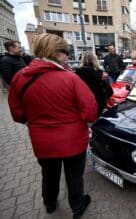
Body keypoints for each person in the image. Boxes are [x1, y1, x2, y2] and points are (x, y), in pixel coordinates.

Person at [8, 33, 98, 218]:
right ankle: (77, 206)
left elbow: (17, 114)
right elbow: (90, 112)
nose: (67, 56)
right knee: (74, 176)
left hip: (42, 141)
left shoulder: (19, 77)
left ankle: (49, 203)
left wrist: (35, 123)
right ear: (56, 53)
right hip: (73, 141)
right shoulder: (71, 79)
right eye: (65, 51)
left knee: (48, 175)